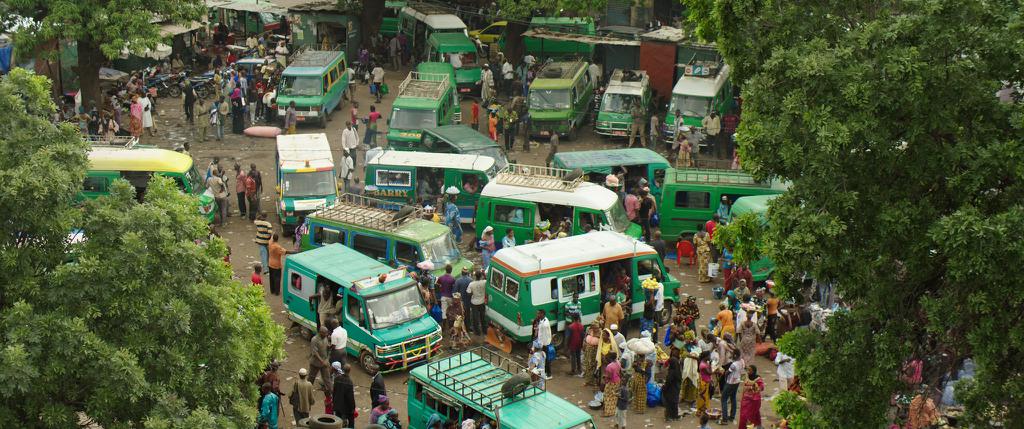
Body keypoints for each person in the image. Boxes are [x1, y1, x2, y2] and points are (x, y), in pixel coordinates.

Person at [737, 365, 765, 429]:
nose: (748, 371)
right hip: (745, 399)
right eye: (747, 370)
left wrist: (754, 388)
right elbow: (741, 378)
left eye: (750, 370)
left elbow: (761, 387)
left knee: (752, 415)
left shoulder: (758, 378)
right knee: (744, 415)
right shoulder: (746, 376)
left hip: (754, 400)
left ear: (754, 371)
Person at [719, 350, 743, 424]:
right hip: (737, 381)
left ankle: (725, 419)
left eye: (732, 354)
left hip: (730, 382)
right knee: (733, 398)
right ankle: (732, 417)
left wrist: (723, 374)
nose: (731, 356)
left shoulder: (734, 364)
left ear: (735, 355)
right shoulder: (742, 361)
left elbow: (727, 372)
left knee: (723, 399)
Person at [332, 362, 356, 427]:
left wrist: (333, 402)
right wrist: (353, 407)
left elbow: (334, 391)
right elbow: (350, 397)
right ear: (349, 371)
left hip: (337, 405)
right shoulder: (349, 381)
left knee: (338, 422)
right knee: (350, 421)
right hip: (346, 407)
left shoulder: (337, 378)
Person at [662, 347, 682, 421]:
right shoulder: (677, 370)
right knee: (675, 402)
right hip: (676, 388)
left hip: (671, 389)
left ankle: (669, 416)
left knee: (669, 402)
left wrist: (664, 387)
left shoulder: (672, 371)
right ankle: (675, 415)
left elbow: (668, 381)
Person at [468, 270, 487, 335]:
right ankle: (485, 331)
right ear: (481, 276)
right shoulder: (484, 282)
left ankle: (477, 332)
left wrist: (473, 293)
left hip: (474, 303)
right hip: (482, 302)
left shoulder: (471, 284)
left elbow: (469, 293)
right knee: (483, 317)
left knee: (475, 318)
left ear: (475, 276)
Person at [535, 309, 552, 379]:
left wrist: (542, 345)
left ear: (542, 314)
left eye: (538, 314)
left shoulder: (545, 324)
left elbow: (545, 336)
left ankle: (549, 374)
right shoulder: (543, 320)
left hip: (544, 344)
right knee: (542, 358)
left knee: (546, 359)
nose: (537, 315)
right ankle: (543, 371)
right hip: (542, 343)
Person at [615, 364, 630, 429]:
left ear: (626, 382)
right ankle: (617, 425)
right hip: (619, 405)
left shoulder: (625, 390)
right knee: (617, 415)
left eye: (623, 381)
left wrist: (618, 396)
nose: (622, 381)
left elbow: (626, 399)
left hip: (623, 406)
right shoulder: (622, 387)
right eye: (622, 380)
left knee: (622, 416)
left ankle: (623, 426)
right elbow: (619, 390)